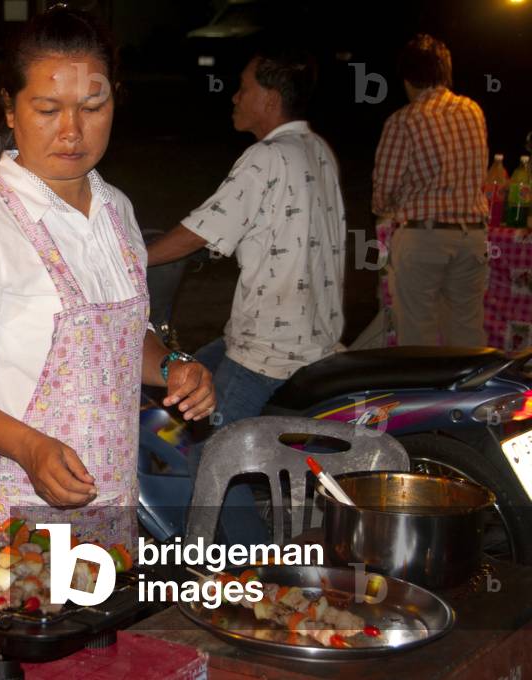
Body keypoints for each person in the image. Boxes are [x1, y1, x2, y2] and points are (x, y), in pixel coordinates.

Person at [0, 6, 214, 547]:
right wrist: (29, 446)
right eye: (47, 109)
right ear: (9, 108)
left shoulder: (116, 211)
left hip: (105, 499)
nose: (72, 132)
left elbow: (117, 339)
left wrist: (172, 367)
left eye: (93, 107)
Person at [146, 47, 346, 543]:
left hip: (267, 354)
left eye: (244, 87)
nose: (234, 96)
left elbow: (200, 229)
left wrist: (130, 258)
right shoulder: (317, 148)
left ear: (270, 98)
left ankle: (253, 573)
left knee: (213, 457)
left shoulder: (266, 157)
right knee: (187, 377)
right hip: (309, 342)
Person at [373, 34, 488, 347]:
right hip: (472, 236)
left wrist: (392, 206)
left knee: (417, 336)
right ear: (445, 71)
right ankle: (472, 394)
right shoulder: (473, 111)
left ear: (407, 78)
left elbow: (384, 192)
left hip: (423, 238)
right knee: (466, 332)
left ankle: (426, 395)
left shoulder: (403, 121)